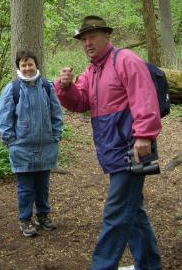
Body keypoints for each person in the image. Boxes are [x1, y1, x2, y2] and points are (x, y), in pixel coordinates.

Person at [55, 15, 162, 270]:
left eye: (92, 37)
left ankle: (102, 266)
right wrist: (66, 87)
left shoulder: (125, 60)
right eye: (83, 39)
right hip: (113, 153)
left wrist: (144, 135)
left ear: (107, 37)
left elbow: (144, 97)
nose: (87, 43)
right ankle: (149, 264)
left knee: (115, 214)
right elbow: (80, 102)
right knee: (133, 211)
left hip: (131, 150)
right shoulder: (92, 71)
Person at [0, 49, 64, 237]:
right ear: (19, 67)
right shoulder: (13, 89)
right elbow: (4, 118)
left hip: (46, 146)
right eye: (23, 65)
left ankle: (43, 215)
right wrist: (10, 140)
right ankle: (25, 220)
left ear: (36, 65)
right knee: (26, 188)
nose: (27, 68)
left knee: (43, 185)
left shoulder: (47, 86)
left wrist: (56, 135)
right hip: (22, 148)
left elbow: (56, 113)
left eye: (30, 64)